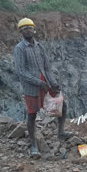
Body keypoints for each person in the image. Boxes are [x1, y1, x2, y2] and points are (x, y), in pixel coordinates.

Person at [14, 18, 73, 158]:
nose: (28, 30)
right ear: (21, 32)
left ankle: (61, 132)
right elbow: (21, 72)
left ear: (34, 30)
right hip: (33, 87)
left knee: (63, 106)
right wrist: (38, 82)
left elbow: (46, 68)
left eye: (30, 28)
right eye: (24, 29)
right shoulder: (20, 49)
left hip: (46, 84)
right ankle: (34, 145)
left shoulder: (40, 46)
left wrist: (53, 83)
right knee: (32, 115)